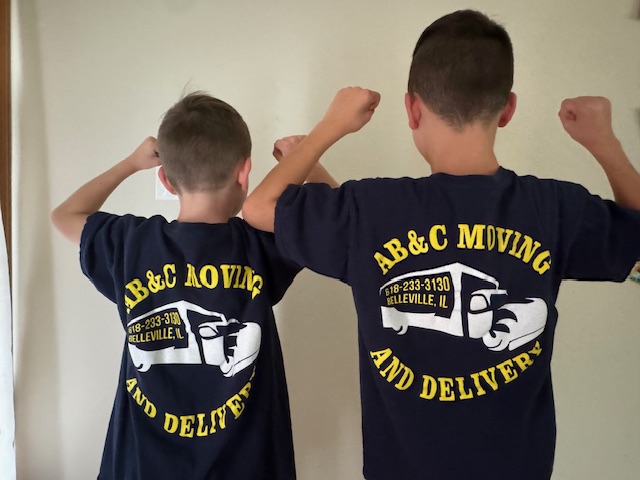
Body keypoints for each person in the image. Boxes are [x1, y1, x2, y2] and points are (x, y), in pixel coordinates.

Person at [242, 9, 640, 480]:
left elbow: (259, 208)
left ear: (412, 109)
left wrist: (328, 128)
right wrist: (604, 142)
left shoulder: (372, 210)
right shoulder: (552, 208)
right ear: (507, 109)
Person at [51, 93, 337, 480]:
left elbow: (65, 215)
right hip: (247, 466)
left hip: (142, 468)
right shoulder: (261, 243)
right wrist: (308, 161)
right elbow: (341, 221)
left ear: (166, 180)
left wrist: (130, 163)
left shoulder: (132, 244)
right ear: (244, 173)